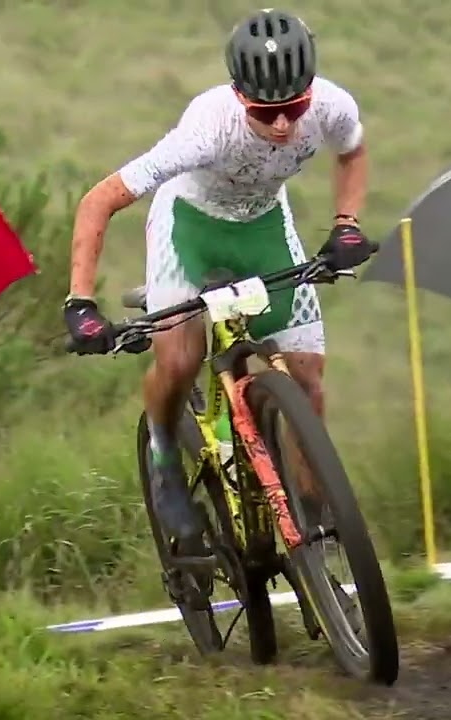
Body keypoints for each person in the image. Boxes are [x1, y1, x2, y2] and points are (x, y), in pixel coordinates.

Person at [60, 8, 375, 552]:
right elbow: (98, 201)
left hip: (262, 227)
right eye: (264, 112)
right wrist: (81, 302)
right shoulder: (205, 130)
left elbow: (354, 152)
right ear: (239, 96)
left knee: (309, 381)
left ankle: (316, 537)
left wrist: (346, 224)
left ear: (310, 92)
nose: (281, 126)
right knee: (180, 360)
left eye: (293, 108)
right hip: (191, 228)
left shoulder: (331, 105)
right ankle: (164, 451)